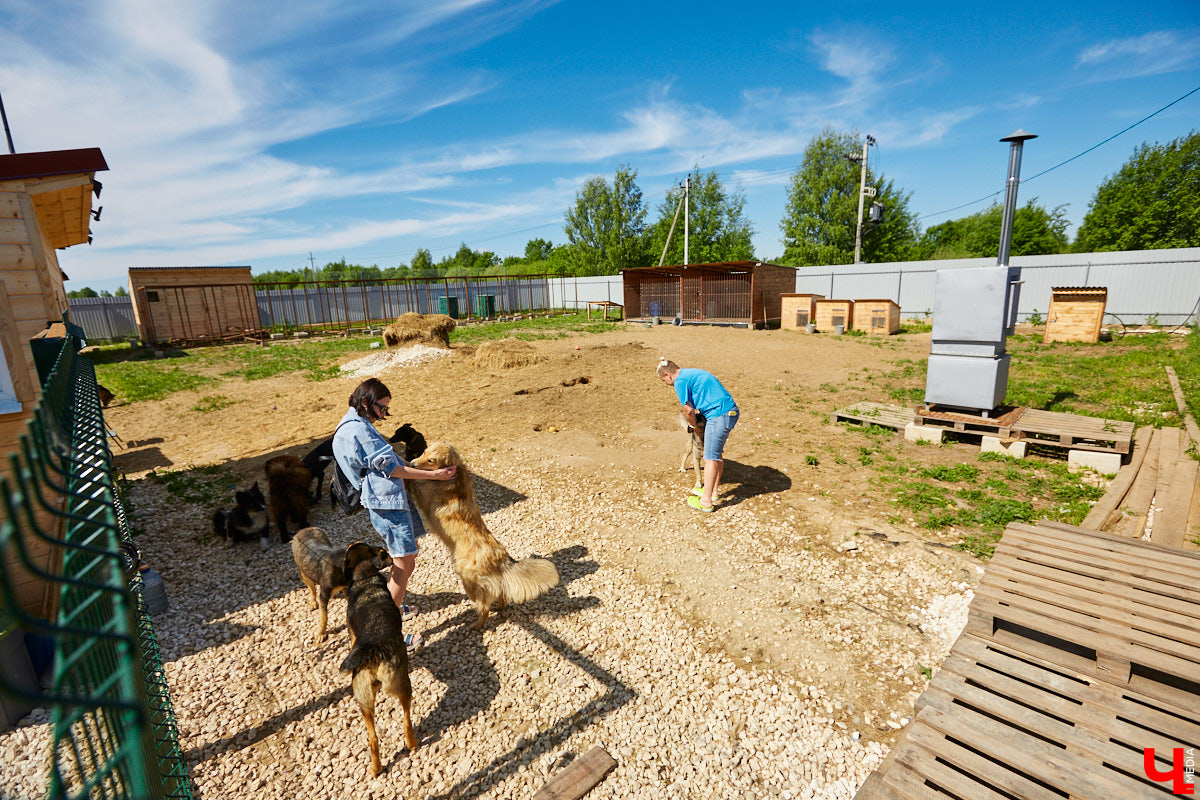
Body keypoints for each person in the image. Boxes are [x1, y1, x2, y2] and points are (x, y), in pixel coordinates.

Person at [332, 377, 456, 649]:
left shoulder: (350, 423)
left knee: (404, 558)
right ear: (365, 402)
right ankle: (388, 634)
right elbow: (391, 469)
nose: (385, 414)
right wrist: (434, 475)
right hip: (387, 503)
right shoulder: (359, 431)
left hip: (384, 500)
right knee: (404, 564)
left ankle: (395, 609)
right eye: (382, 408)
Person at [656, 358, 739, 512]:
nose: (667, 384)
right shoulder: (690, 373)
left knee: (709, 458)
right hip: (729, 411)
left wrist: (694, 426)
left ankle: (706, 502)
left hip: (719, 415)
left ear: (668, 375)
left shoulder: (680, 381)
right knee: (717, 454)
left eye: (664, 381)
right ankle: (713, 492)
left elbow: (688, 410)